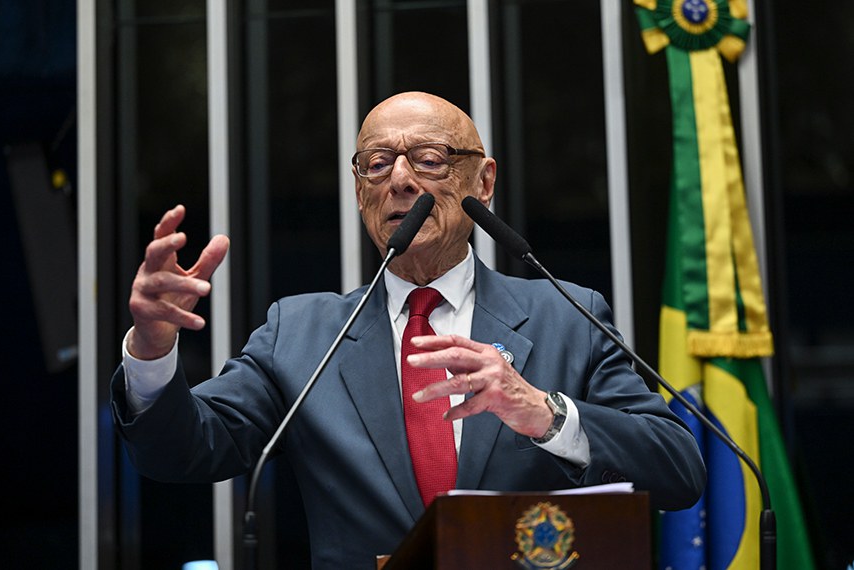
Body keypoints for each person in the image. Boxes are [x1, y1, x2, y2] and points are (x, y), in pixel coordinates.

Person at [111, 91, 705, 568]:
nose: (399, 180)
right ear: (359, 188)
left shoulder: (567, 316)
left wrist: (545, 413)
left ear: (484, 182)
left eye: (430, 159)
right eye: (376, 163)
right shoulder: (300, 333)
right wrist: (152, 348)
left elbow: (678, 471)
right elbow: (180, 452)